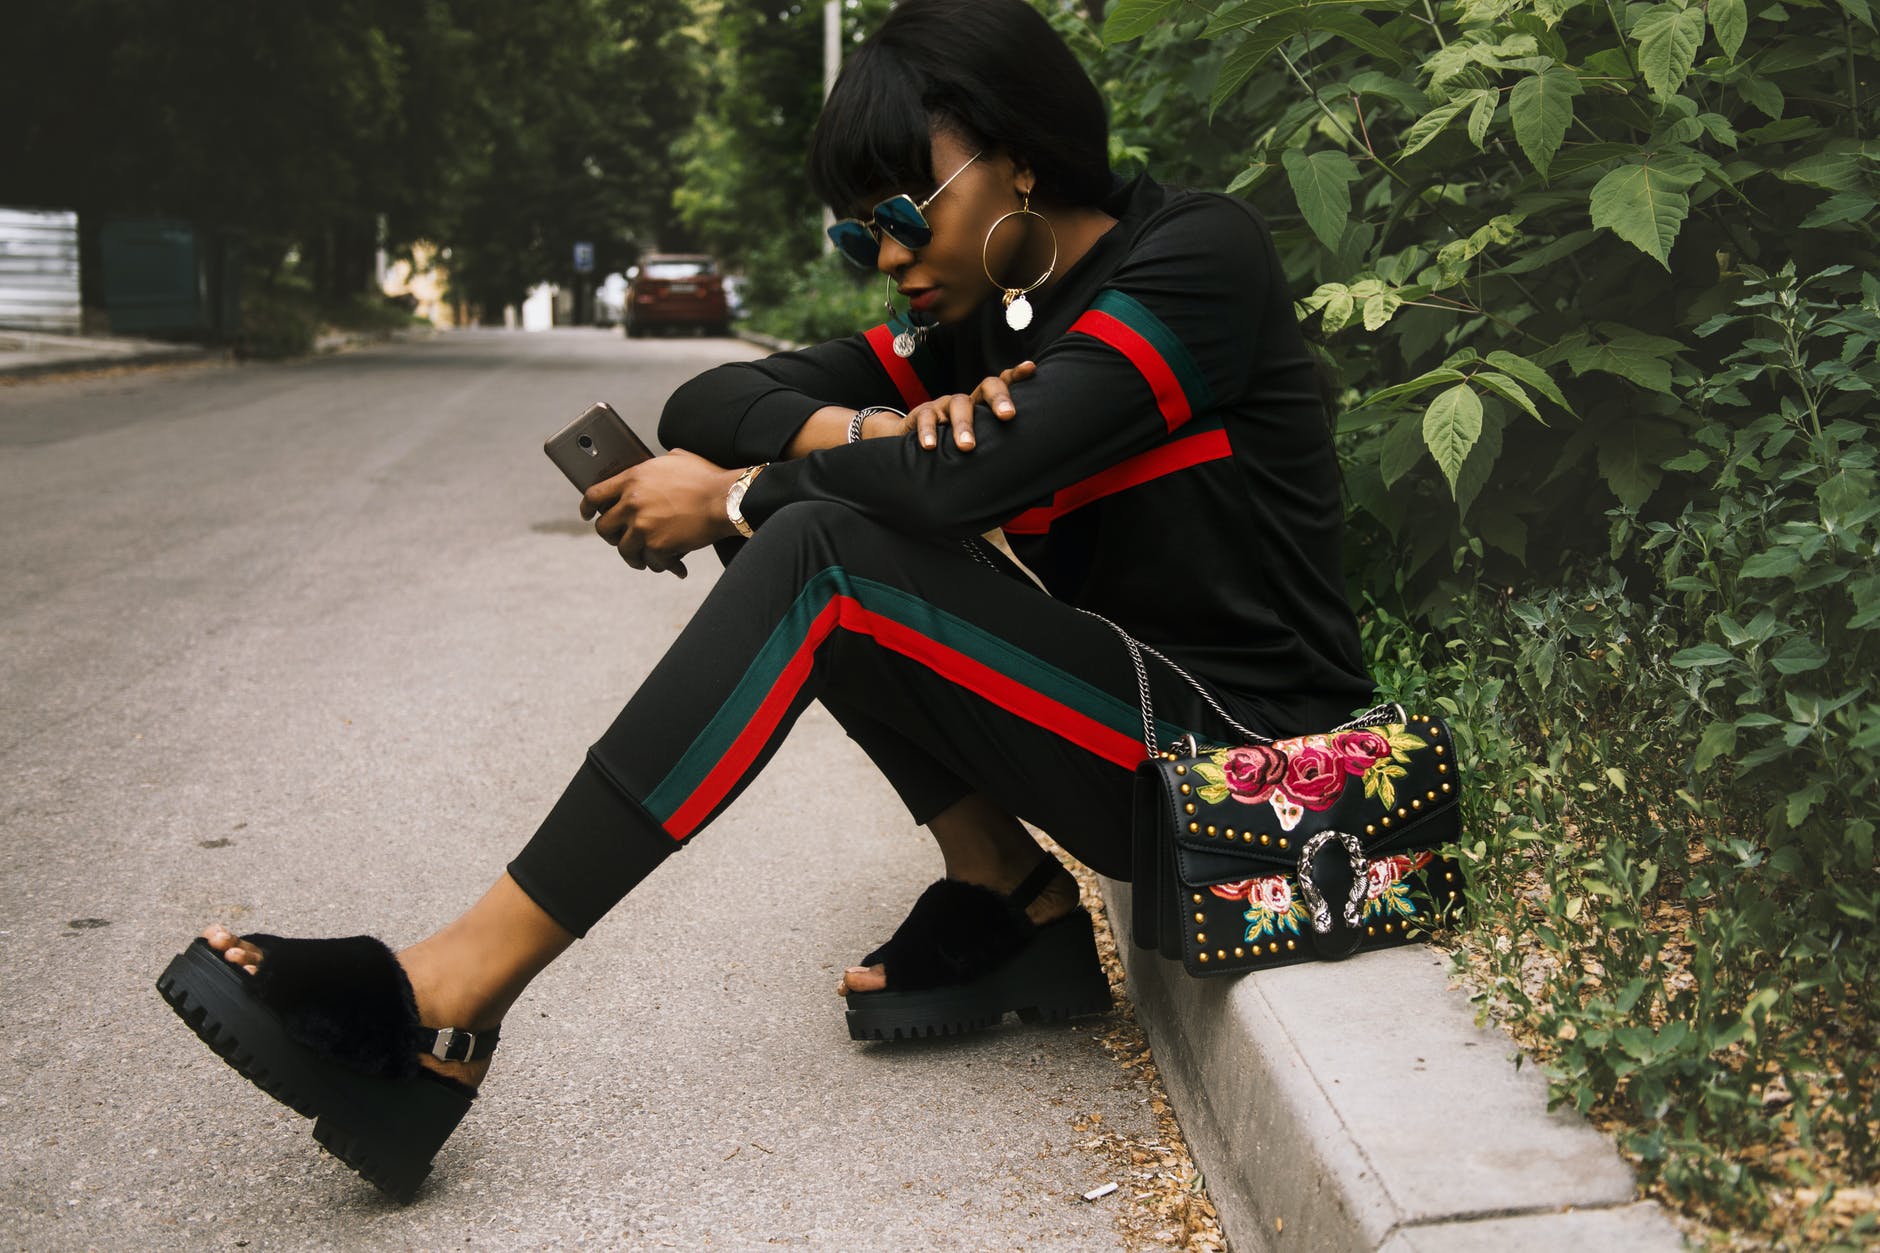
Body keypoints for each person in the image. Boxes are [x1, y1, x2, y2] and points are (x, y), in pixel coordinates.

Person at [157, 0, 1374, 1203]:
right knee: (815, 517)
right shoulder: (967, 328)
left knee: (812, 543)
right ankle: (1007, 892)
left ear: (1015, 153)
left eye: (900, 218)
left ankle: (448, 995)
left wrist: (745, 498)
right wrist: (874, 429)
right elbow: (706, 403)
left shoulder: (1192, 258)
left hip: (1256, 768)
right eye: (860, 239)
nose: (888, 259)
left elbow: (983, 469)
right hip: (1124, 732)